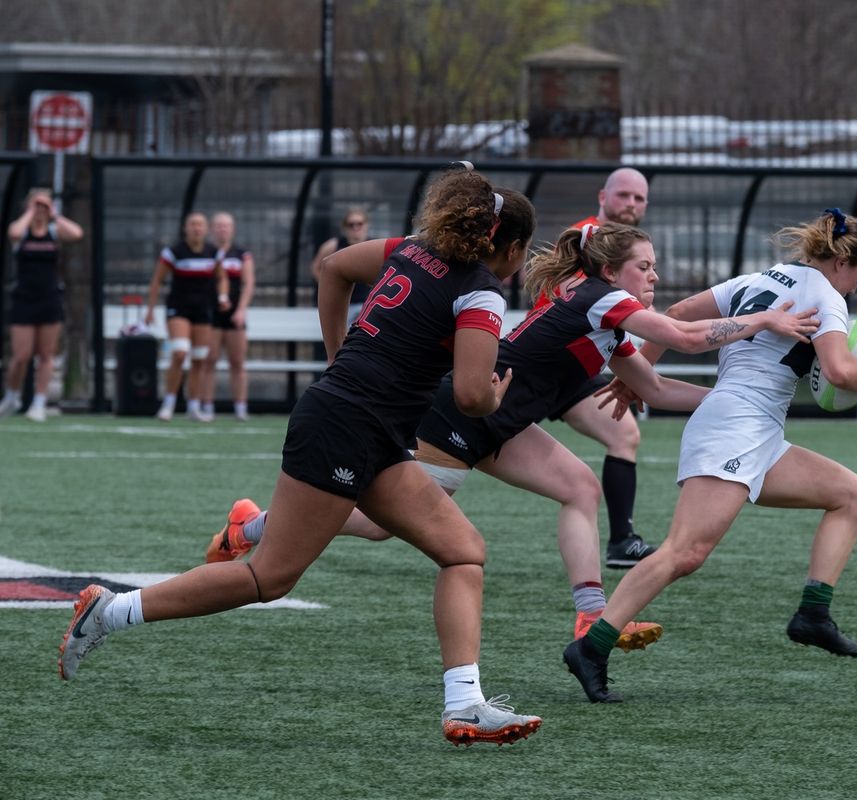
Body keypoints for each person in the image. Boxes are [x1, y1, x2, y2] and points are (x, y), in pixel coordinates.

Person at [59, 166, 545, 746]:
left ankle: (465, 704)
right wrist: (493, 394)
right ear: (508, 247)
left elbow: (333, 268)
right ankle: (109, 610)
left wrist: (339, 353)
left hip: (366, 430)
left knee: (463, 551)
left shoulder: (410, 250)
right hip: (346, 427)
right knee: (270, 578)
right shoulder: (481, 291)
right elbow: (469, 396)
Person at [209, 223, 817, 654]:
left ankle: (590, 618)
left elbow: (656, 390)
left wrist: (729, 404)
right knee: (376, 522)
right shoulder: (601, 300)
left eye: (654, 266)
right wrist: (764, 319)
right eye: (645, 265)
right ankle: (252, 527)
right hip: (464, 413)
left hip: (502, 423)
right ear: (611, 272)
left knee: (580, 485)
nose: (655, 275)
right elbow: (685, 338)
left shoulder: (613, 322)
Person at [563, 208, 857, 703]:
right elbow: (842, 372)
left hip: (755, 430)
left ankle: (813, 614)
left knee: (855, 497)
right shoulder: (826, 295)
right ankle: (592, 646)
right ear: (843, 262)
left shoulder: (758, 278)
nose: (854, 291)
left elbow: (674, 316)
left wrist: (636, 378)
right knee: (685, 552)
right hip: (736, 427)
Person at [533, 168, 655, 569]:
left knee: (624, 434)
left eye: (639, 199)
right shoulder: (584, 240)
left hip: (576, 369)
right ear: (603, 196)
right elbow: (560, 296)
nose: (630, 205)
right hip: (539, 367)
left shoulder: (630, 253)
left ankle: (622, 541)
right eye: (624, 195)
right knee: (425, 496)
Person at [0, 188, 84, 421]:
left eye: (44, 205)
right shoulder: (23, 232)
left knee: (46, 354)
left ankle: (39, 402)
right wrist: (29, 211)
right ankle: (12, 396)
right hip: (24, 299)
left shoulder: (55, 232)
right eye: (36, 205)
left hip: (49, 299)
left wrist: (54, 214)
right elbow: (14, 232)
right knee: (21, 356)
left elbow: (77, 233)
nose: (40, 209)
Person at [146, 211, 229, 422]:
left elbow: (222, 278)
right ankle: (169, 403)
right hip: (178, 309)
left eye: (200, 225)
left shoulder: (213, 252)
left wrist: (223, 296)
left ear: (206, 229)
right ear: (186, 228)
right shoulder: (174, 252)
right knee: (180, 354)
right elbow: (157, 280)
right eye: (192, 224)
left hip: (203, 310)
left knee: (200, 358)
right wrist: (150, 309)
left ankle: (194, 406)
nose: (196, 228)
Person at [199, 212, 255, 421]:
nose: (223, 229)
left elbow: (248, 283)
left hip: (234, 314)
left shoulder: (241, 254)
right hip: (210, 314)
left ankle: (240, 407)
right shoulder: (206, 252)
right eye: (219, 226)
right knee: (209, 360)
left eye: (226, 226)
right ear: (212, 229)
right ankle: (207, 405)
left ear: (232, 229)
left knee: (237, 362)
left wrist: (241, 309)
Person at [311, 207, 373, 322]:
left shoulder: (374, 246)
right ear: (345, 227)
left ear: (366, 225)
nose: (356, 228)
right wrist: (329, 286)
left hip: (366, 303)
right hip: (341, 303)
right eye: (351, 224)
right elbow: (316, 267)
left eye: (359, 223)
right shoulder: (333, 246)